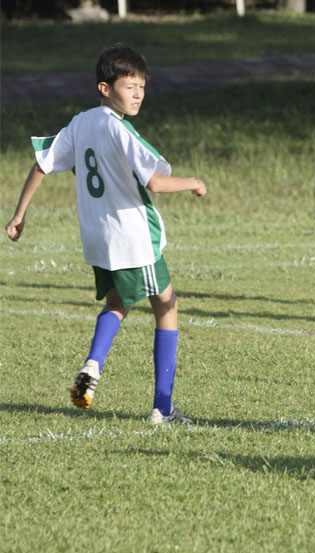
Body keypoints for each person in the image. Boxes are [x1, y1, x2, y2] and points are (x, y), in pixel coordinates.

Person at [5, 46, 206, 424]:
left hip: (99, 240)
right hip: (133, 238)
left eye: (142, 87)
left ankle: (92, 368)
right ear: (104, 87)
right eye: (130, 86)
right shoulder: (120, 130)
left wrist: (19, 214)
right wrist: (193, 182)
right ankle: (161, 407)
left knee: (117, 302)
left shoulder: (80, 123)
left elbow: (42, 163)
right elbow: (155, 181)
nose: (138, 94)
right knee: (167, 305)